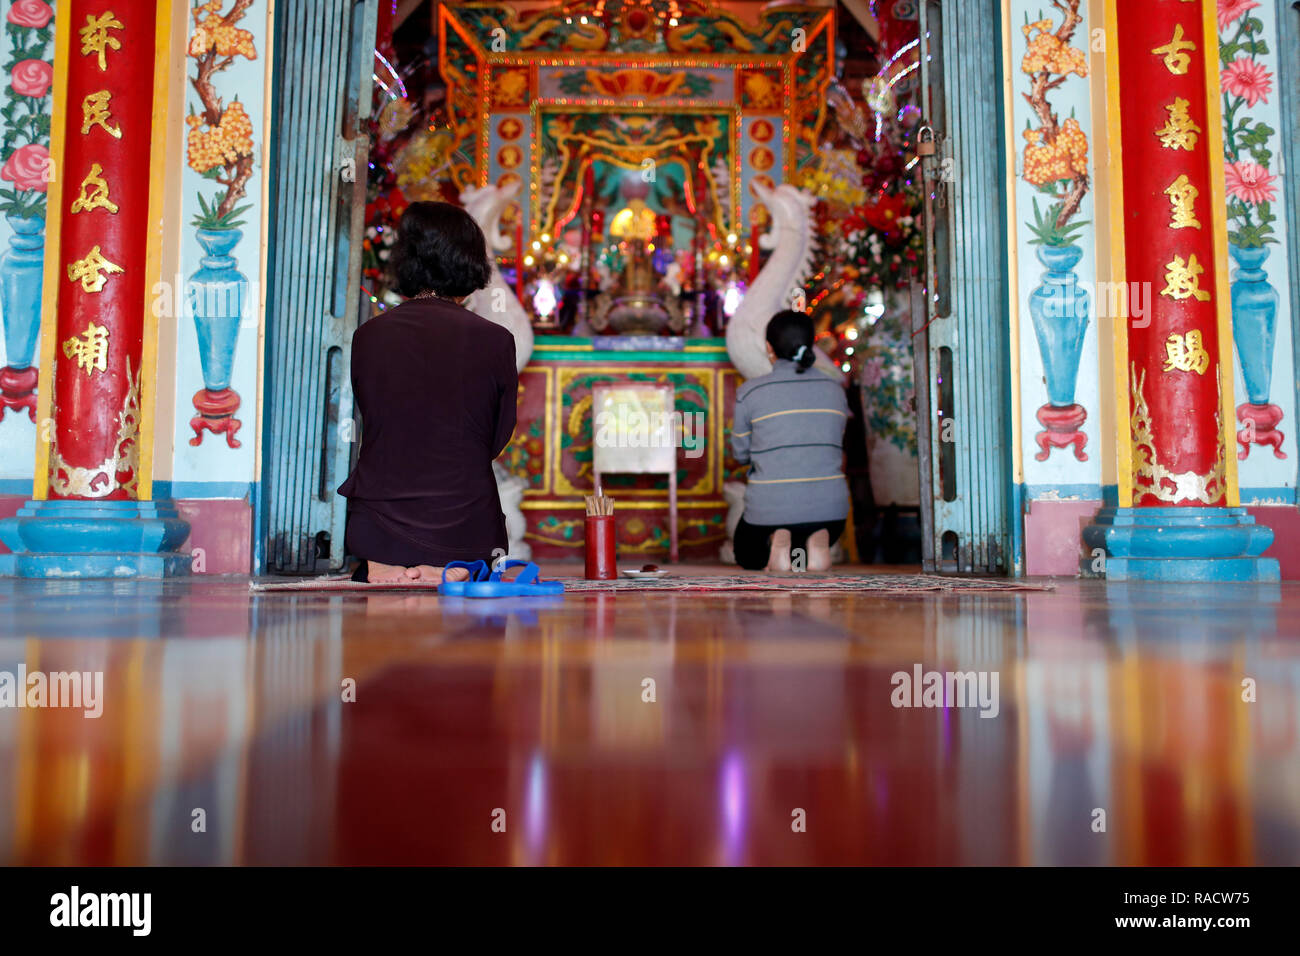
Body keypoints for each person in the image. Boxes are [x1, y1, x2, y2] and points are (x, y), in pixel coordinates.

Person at [338, 201, 518, 583]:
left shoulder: (368, 337)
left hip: (377, 532)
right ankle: (446, 573)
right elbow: (497, 436)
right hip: (467, 534)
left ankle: (387, 569)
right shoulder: (496, 340)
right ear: (472, 263)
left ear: (404, 260)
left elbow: (372, 418)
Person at [730, 310, 849, 572]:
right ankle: (813, 543)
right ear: (812, 344)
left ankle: (778, 538)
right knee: (806, 528)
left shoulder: (750, 392)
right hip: (831, 510)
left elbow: (740, 454)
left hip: (770, 506)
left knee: (748, 554)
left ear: (769, 348)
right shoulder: (834, 389)